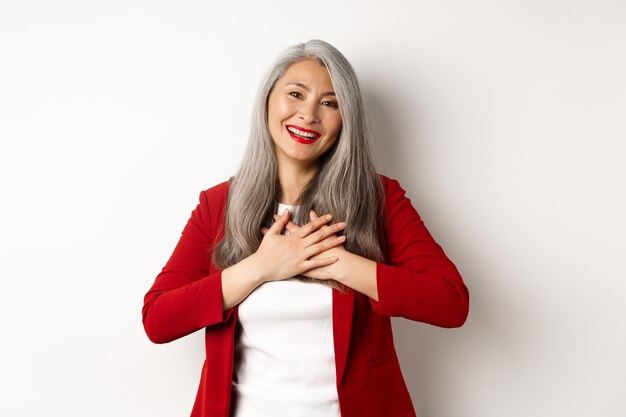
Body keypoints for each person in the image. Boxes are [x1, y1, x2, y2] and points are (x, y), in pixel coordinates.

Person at [142, 39, 470, 417]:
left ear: (346, 120)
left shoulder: (379, 198)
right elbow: (158, 319)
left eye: (329, 103)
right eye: (295, 94)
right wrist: (262, 267)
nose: (308, 114)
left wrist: (338, 263)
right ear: (268, 100)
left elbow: (450, 302)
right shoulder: (219, 204)